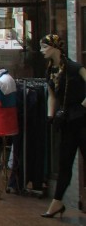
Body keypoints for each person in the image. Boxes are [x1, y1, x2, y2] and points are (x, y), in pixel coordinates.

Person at [40, 34, 86, 218]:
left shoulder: (75, 68)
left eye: (45, 47)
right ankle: (57, 202)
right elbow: (52, 95)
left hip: (82, 120)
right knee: (64, 162)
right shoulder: (50, 71)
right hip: (66, 121)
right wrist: (50, 116)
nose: (42, 50)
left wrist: (83, 106)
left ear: (55, 47)